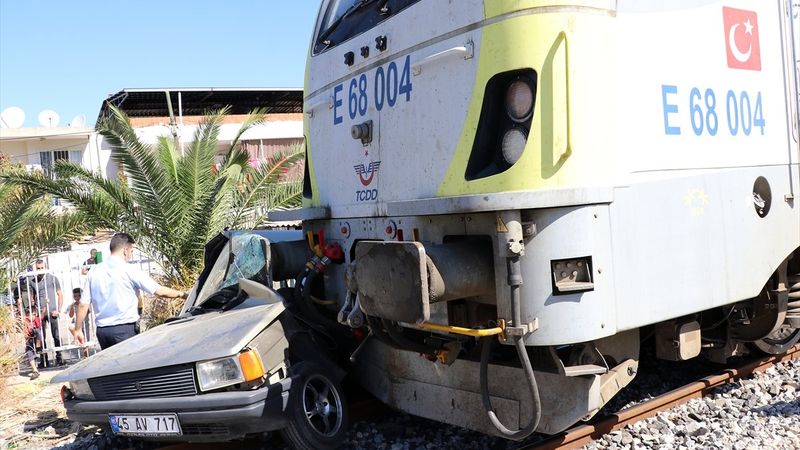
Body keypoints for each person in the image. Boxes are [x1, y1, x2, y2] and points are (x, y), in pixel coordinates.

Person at [71, 233, 187, 350]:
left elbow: (83, 304)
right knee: (130, 361)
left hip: (103, 332)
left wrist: (78, 329)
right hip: (124, 330)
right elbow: (159, 291)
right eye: (131, 251)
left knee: (111, 361)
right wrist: (182, 294)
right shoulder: (129, 270)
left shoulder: (94, 271)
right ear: (125, 250)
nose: (131, 255)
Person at [34, 259, 64, 367]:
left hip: (52, 312)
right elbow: (32, 297)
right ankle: (44, 360)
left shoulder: (53, 278)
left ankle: (59, 358)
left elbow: (60, 294)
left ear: (45, 267)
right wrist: (35, 313)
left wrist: (58, 310)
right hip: (40, 313)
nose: (40, 270)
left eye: (42, 268)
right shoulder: (33, 281)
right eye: (38, 268)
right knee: (41, 337)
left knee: (56, 335)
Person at [68, 288, 90, 358]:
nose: (77, 298)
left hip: (85, 323)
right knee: (71, 326)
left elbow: (88, 312)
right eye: (75, 296)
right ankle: (76, 338)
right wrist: (71, 307)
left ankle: (86, 356)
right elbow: (70, 315)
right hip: (77, 324)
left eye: (79, 296)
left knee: (85, 340)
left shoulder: (84, 304)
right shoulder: (73, 305)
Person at [23, 307, 43, 379]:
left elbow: (39, 327)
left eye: (34, 314)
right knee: (29, 351)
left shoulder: (37, 319)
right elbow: (26, 332)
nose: (34, 316)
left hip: (37, 339)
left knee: (37, 331)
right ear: (27, 315)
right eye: (32, 315)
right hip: (29, 339)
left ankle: (38, 347)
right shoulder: (25, 321)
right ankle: (35, 370)